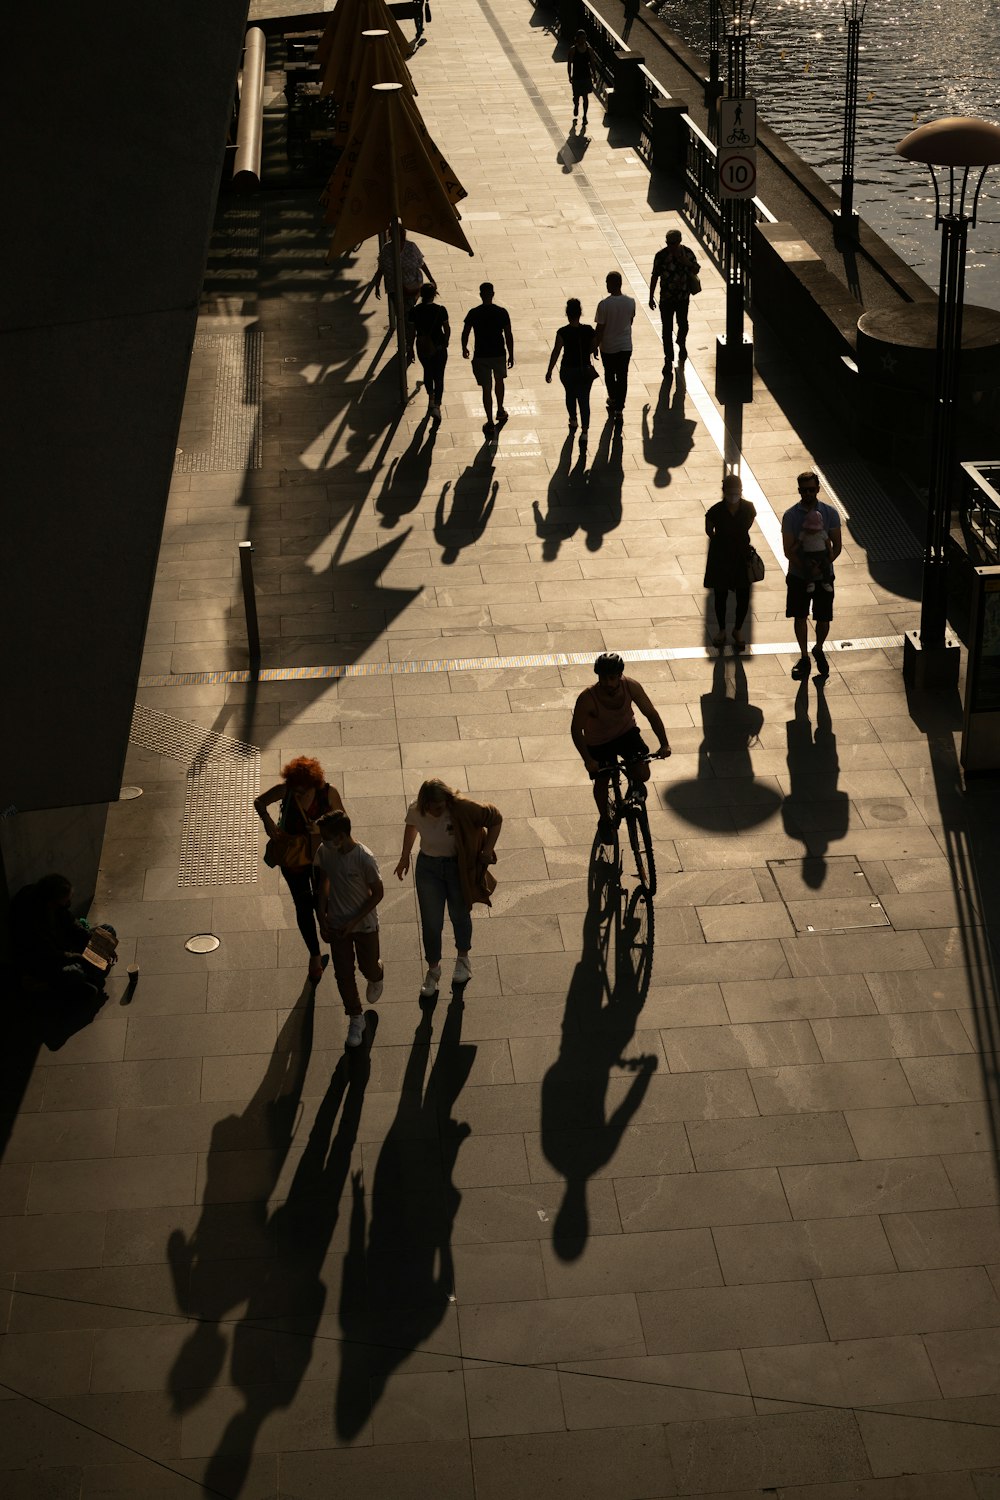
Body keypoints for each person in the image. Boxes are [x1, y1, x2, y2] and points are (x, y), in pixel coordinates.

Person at [394, 778, 503, 997]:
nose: (437, 811)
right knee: (431, 922)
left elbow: (495, 818)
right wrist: (405, 857)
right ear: (424, 804)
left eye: (441, 807)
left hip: (457, 868)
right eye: (433, 808)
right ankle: (433, 971)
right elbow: (411, 826)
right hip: (428, 868)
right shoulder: (416, 809)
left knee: (459, 915)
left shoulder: (461, 807)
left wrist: (486, 851)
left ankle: (463, 959)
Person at [255, 757, 345, 982]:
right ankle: (314, 955)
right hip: (293, 859)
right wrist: (267, 821)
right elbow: (259, 802)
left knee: (323, 900)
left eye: (303, 789)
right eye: (295, 788)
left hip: (322, 857)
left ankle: (328, 931)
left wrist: (319, 826)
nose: (298, 792)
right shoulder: (286, 790)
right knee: (303, 906)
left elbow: (343, 820)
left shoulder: (328, 792)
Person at [571, 652, 671, 833]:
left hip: (626, 734)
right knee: (602, 782)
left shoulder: (631, 686)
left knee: (642, 772)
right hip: (599, 742)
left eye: (612, 678)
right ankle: (605, 819)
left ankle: (634, 785)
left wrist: (664, 744)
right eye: (603, 678)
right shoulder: (587, 699)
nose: (608, 683)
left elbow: (651, 714)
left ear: (619, 676)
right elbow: (576, 731)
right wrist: (588, 760)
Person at [315, 812, 384, 1050]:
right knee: (343, 973)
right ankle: (356, 1017)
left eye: (327, 837)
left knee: (368, 967)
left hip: (363, 925)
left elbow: (378, 894)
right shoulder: (325, 853)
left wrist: (353, 923)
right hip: (336, 924)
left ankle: (376, 974)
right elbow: (322, 885)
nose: (323, 841)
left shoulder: (364, 858)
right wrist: (321, 919)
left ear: (342, 836)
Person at [9, 873, 118, 1002]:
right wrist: (79, 957)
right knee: (74, 973)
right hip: (47, 962)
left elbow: (74, 927)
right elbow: (50, 955)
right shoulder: (32, 922)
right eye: (66, 901)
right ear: (52, 903)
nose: (69, 904)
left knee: (107, 930)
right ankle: (71, 983)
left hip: (65, 943)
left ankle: (89, 975)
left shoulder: (54, 903)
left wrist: (101, 943)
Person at [782, 469, 842, 679]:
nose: (807, 493)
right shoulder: (790, 516)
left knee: (824, 617)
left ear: (817, 489)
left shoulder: (830, 513)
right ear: (799, 491)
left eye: (811, 489)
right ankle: (804, 655)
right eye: (803, 490)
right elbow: (788, 549)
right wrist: (807, 570)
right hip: (799, 575)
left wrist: (822, 567)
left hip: (824, 574)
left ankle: (818, 647)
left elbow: (836, 545)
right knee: (800, 615)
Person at [704, 472, 757, 649]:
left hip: (741, 556)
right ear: (724, 491)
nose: (734, 496)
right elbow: (709, 529)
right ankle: (722, 630)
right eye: (731, 492)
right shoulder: (715, 511)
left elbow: (748, 523)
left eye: (737, 492)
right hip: (721, 557)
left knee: (743, 595)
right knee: (720, 595)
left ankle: (738, 629)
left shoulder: (748, 508)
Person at [462, 283, 515, 439]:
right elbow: (508, 334)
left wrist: (464, 347)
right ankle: (500, 409)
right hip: (498, 353)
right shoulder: (501, 312)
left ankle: (490, 421)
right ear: (492, 294)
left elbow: (465, 332)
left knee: (486, 388)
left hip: (481, 355)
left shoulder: (474, 313)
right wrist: (511, 354)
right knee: (499, 381)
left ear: (480, 294)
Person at [373, 228, 436, 360]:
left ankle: (409, 345)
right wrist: (377, 284)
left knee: (408, 319)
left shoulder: (411, 247)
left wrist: (431, 278)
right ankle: (408, 344)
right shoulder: (386, 249)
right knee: (404, 318)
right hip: (395, 290)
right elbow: (381, 268)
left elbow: (421, 264)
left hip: (412, 289)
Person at [545, 296, 598, 439]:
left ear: (567, 314)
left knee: (570, 394)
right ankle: (585, 431)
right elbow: (594, 347)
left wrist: (550, 370)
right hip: (584, 369)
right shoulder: (588, 330)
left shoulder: (562, 332)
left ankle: (573, 419)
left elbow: (556, 351)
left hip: (568, 369)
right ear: (580, 313)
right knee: (584, 400)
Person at [649, 228, 700, 373]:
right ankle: (668, 357)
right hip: (666, 298)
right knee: (667, 329)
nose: (671, 246)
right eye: (669, 243)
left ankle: (681, 342)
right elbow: (655, 275)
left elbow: (696, 269)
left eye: (674, 243)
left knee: (683, 324)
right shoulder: (661, 256)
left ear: (679, 242)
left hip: (683, 297)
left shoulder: (687, 253)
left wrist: (686, 262)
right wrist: (650, 296)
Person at [593, 271, 635, 421]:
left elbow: (600, 329)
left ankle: (612, 398)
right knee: (623, 376)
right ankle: (619, 408)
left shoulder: (604, 305)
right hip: (625, 346)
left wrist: (595, 346)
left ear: (611, 284)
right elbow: (630, 321)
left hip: (608, 347)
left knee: (609, 374)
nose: (606, 285)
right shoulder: (630, 302)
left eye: (607, 282)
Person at [408, 282, 450, 420]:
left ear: (421, 295)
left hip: (422, 346)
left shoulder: (414, 311)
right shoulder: (441, 310)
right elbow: (447, 328)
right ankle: (437, 406)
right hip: (438, 346)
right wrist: (446, 341)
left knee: (427, 371)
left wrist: (410, 348)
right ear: (434, 295)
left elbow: (411, 332)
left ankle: (431, 399)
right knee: (439, 376)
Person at [796, 508, 835, 593]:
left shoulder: (822, 533)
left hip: (822, 554)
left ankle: (826, 581)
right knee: (807, 566)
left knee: (826, 565)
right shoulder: (803, 534)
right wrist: (793, 549)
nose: (812, 530)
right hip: (808, 555)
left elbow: (828, 543)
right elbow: (798, 543)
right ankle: (810, 582)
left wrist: (831, 552)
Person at [567, 30, 594, 125]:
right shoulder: (573, 50)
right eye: (581, 38)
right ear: (577, 39)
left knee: (585, 97)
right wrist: (569, 75)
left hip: (586, 77)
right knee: (576, 96)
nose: (583, 40)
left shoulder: (589, 50)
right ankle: (576, 105)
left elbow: (592, 63)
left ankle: (585, 116)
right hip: (577, 77)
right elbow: (569, 63)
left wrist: (594, 75)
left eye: (584, 38)